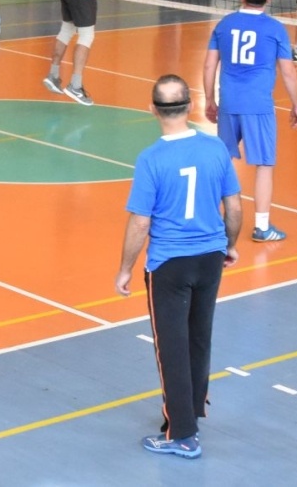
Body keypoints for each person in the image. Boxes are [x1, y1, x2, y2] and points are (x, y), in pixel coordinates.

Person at [115, 74, 241, 460]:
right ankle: (192, 410)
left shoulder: (151, 159)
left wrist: (125, 268)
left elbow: (140, 223)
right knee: (199, 337)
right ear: (189, 106)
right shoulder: (215, 148)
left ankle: (182, 434)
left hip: (169, 264)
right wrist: (230, 245)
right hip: (210, 259)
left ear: (153, 109)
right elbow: (234, 206)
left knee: (171, 347)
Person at [204, 0, 297, 242]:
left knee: (222, 161)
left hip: (229, 102)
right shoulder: (275, 28)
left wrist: (209, 99)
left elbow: (209, 65)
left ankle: (209, 220)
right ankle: (261, 227)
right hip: (258, 106)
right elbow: (288, 72)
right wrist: (296, 103)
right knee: (264, 165)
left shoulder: (224, 25)